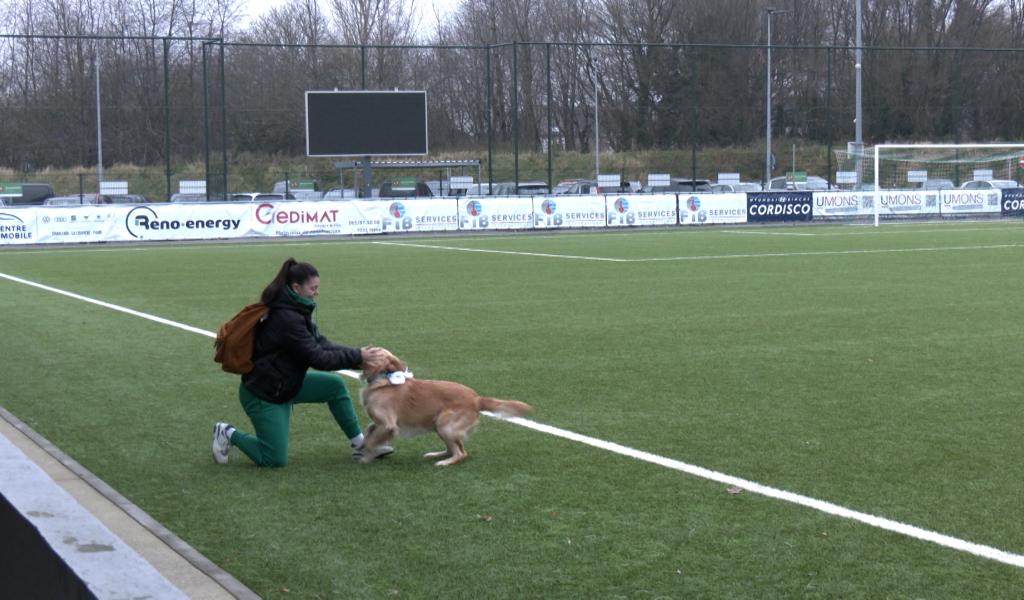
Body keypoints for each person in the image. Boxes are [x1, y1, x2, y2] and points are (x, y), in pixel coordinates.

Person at [212, 258, 392, 467]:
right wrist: (358, 357)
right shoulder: (287, 318)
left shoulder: (296, 309)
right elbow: (318, 357)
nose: (317, 292)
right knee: (273, 460)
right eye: (313, 288)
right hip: (265, 393)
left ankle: (360, 445)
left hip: (287, 384)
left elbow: (320, 343)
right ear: (296, 288)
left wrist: (359, 358)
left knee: (334, 386)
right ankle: (226, 432)